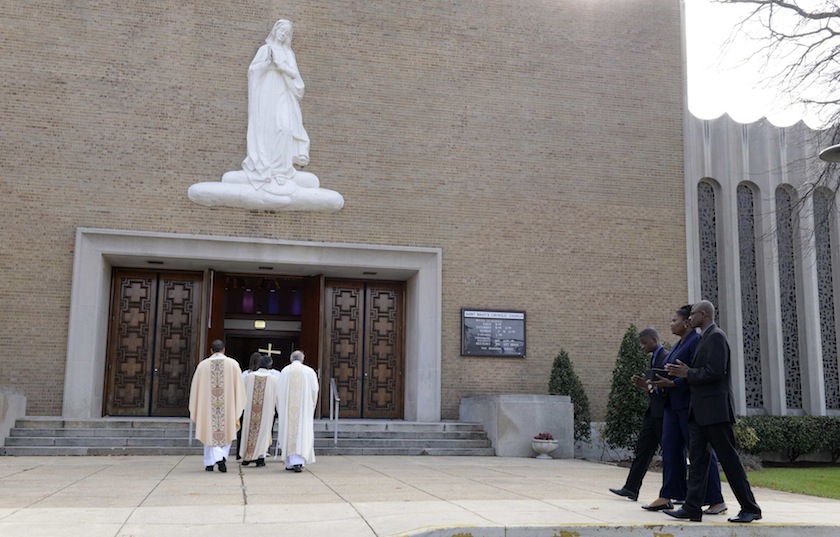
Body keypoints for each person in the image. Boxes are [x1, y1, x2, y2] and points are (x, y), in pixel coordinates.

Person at [664, 300, 762, 524]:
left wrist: (688, 373)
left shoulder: (716, 336)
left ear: (704, 314)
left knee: (729, 461)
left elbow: (716, 372)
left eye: (693, 315)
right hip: (698, 413)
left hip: (715, 412)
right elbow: (699, 372)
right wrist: (680, 373)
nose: (689, 319)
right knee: (697, 460)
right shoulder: (702, 339)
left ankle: (750, 508)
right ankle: (692, 508)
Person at [644, 305, 726, 514]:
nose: (671, 324)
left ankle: (716, 500)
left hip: (690, 406)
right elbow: (672, 373)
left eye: (674, 320)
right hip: (672, 406)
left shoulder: (696, 343)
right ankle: (669, 495)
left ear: (687, 322)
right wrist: (654, 383)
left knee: (700, 454)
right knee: (670, 449)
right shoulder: (678, 345)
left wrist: (675, 383)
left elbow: (695, 373)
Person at [223, 19, 316, 193]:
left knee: (285, 128)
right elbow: (253, 71)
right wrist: (267, 64)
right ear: (275, 31)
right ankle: (267, 168)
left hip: (283, 93)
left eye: (287, 32)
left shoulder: (289, 54)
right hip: (266, 95)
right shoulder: (265, 50)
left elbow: (294, 74)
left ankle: (281, 170)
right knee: (267, 128)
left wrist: (281, 67)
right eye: (282, 30)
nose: (284, 34)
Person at [609, 327, 668, 501]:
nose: (642, 347)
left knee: (671, 455)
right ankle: (631, 488)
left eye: (644, 343)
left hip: (662, 415)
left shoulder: (664, 357)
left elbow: (665, 388)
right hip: (652, 413)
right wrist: (645, 385)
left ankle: (671, 495)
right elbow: (655, 387)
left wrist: (649, 386)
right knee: (642, 451)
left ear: (653, 339)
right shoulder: (655, 358)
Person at [188, 340, 246, 473]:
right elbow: (240, 388)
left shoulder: (203, 365)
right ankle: (220, 458)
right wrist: (237, 403)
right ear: (224, 350)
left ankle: (210, 463)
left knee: (209, 432)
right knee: (226, 432)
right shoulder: (233, 364)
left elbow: (195, 388)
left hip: (208, 407)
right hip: (227, 407)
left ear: (211, 350)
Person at [276, 350, 319, 472]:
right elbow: (314, 390)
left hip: (288, 411)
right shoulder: (309, 371)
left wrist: (281, 408)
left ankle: (291, 462)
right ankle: (298, 462)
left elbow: (278, 393)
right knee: (302, 433)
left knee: (289, 432)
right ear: (302, 359)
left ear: (291, 359)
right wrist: (311, 406)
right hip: (303, 411)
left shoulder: (284, 371)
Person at [239, 355, 280, 467]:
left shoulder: (249, 377)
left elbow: (242, 393)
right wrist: (279, 410)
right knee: (263, 433)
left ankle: (247, 458)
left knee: (249, 431)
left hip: (250, 411)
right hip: (266, 412)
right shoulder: (273, 379)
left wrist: (241, 408)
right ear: (269, 365)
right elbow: (277, 397)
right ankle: (260, 458)